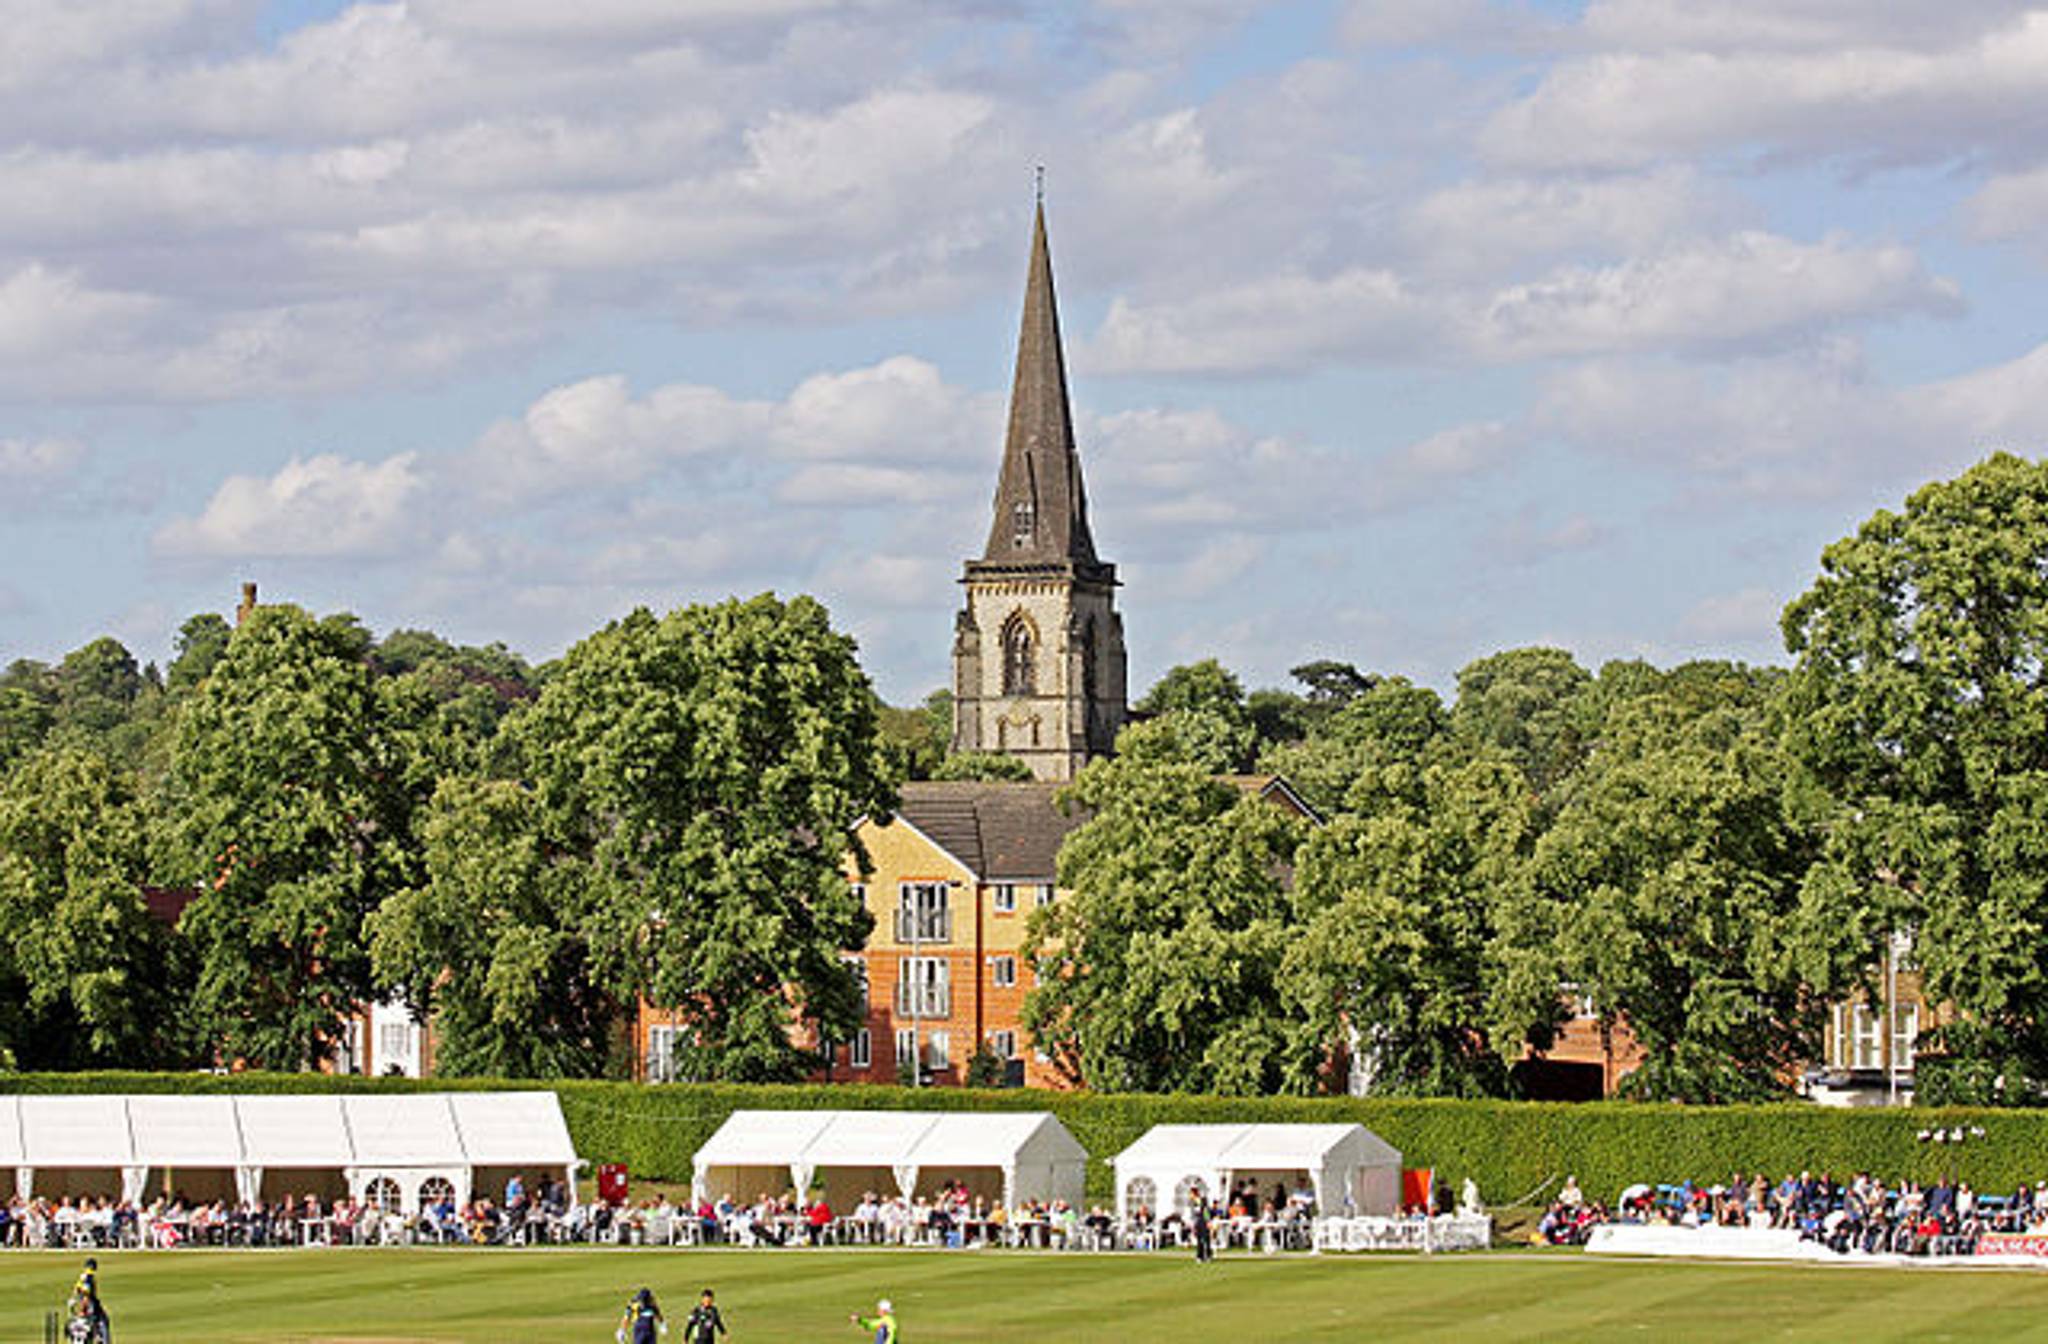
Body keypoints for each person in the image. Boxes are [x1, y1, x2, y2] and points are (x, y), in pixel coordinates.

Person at [70, 1256, 110, 1343]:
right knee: (102, 1323)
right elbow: (86, 1295)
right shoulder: (89, 1278)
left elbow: (77, 1291)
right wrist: (83, 1309)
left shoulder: (82, 1277)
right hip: (92, 1308)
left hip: (86, 1307)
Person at [1191, 1195, 1214, 1263]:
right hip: (1202, 1226)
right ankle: (1204, 1256)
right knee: (1204, 1242)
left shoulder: (1203, 1209)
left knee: (1203, 1242)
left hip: (1201, 1226)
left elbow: (1206, 1219)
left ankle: (1202, 1256)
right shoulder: (1203, 1209)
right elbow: (1207, 1219)